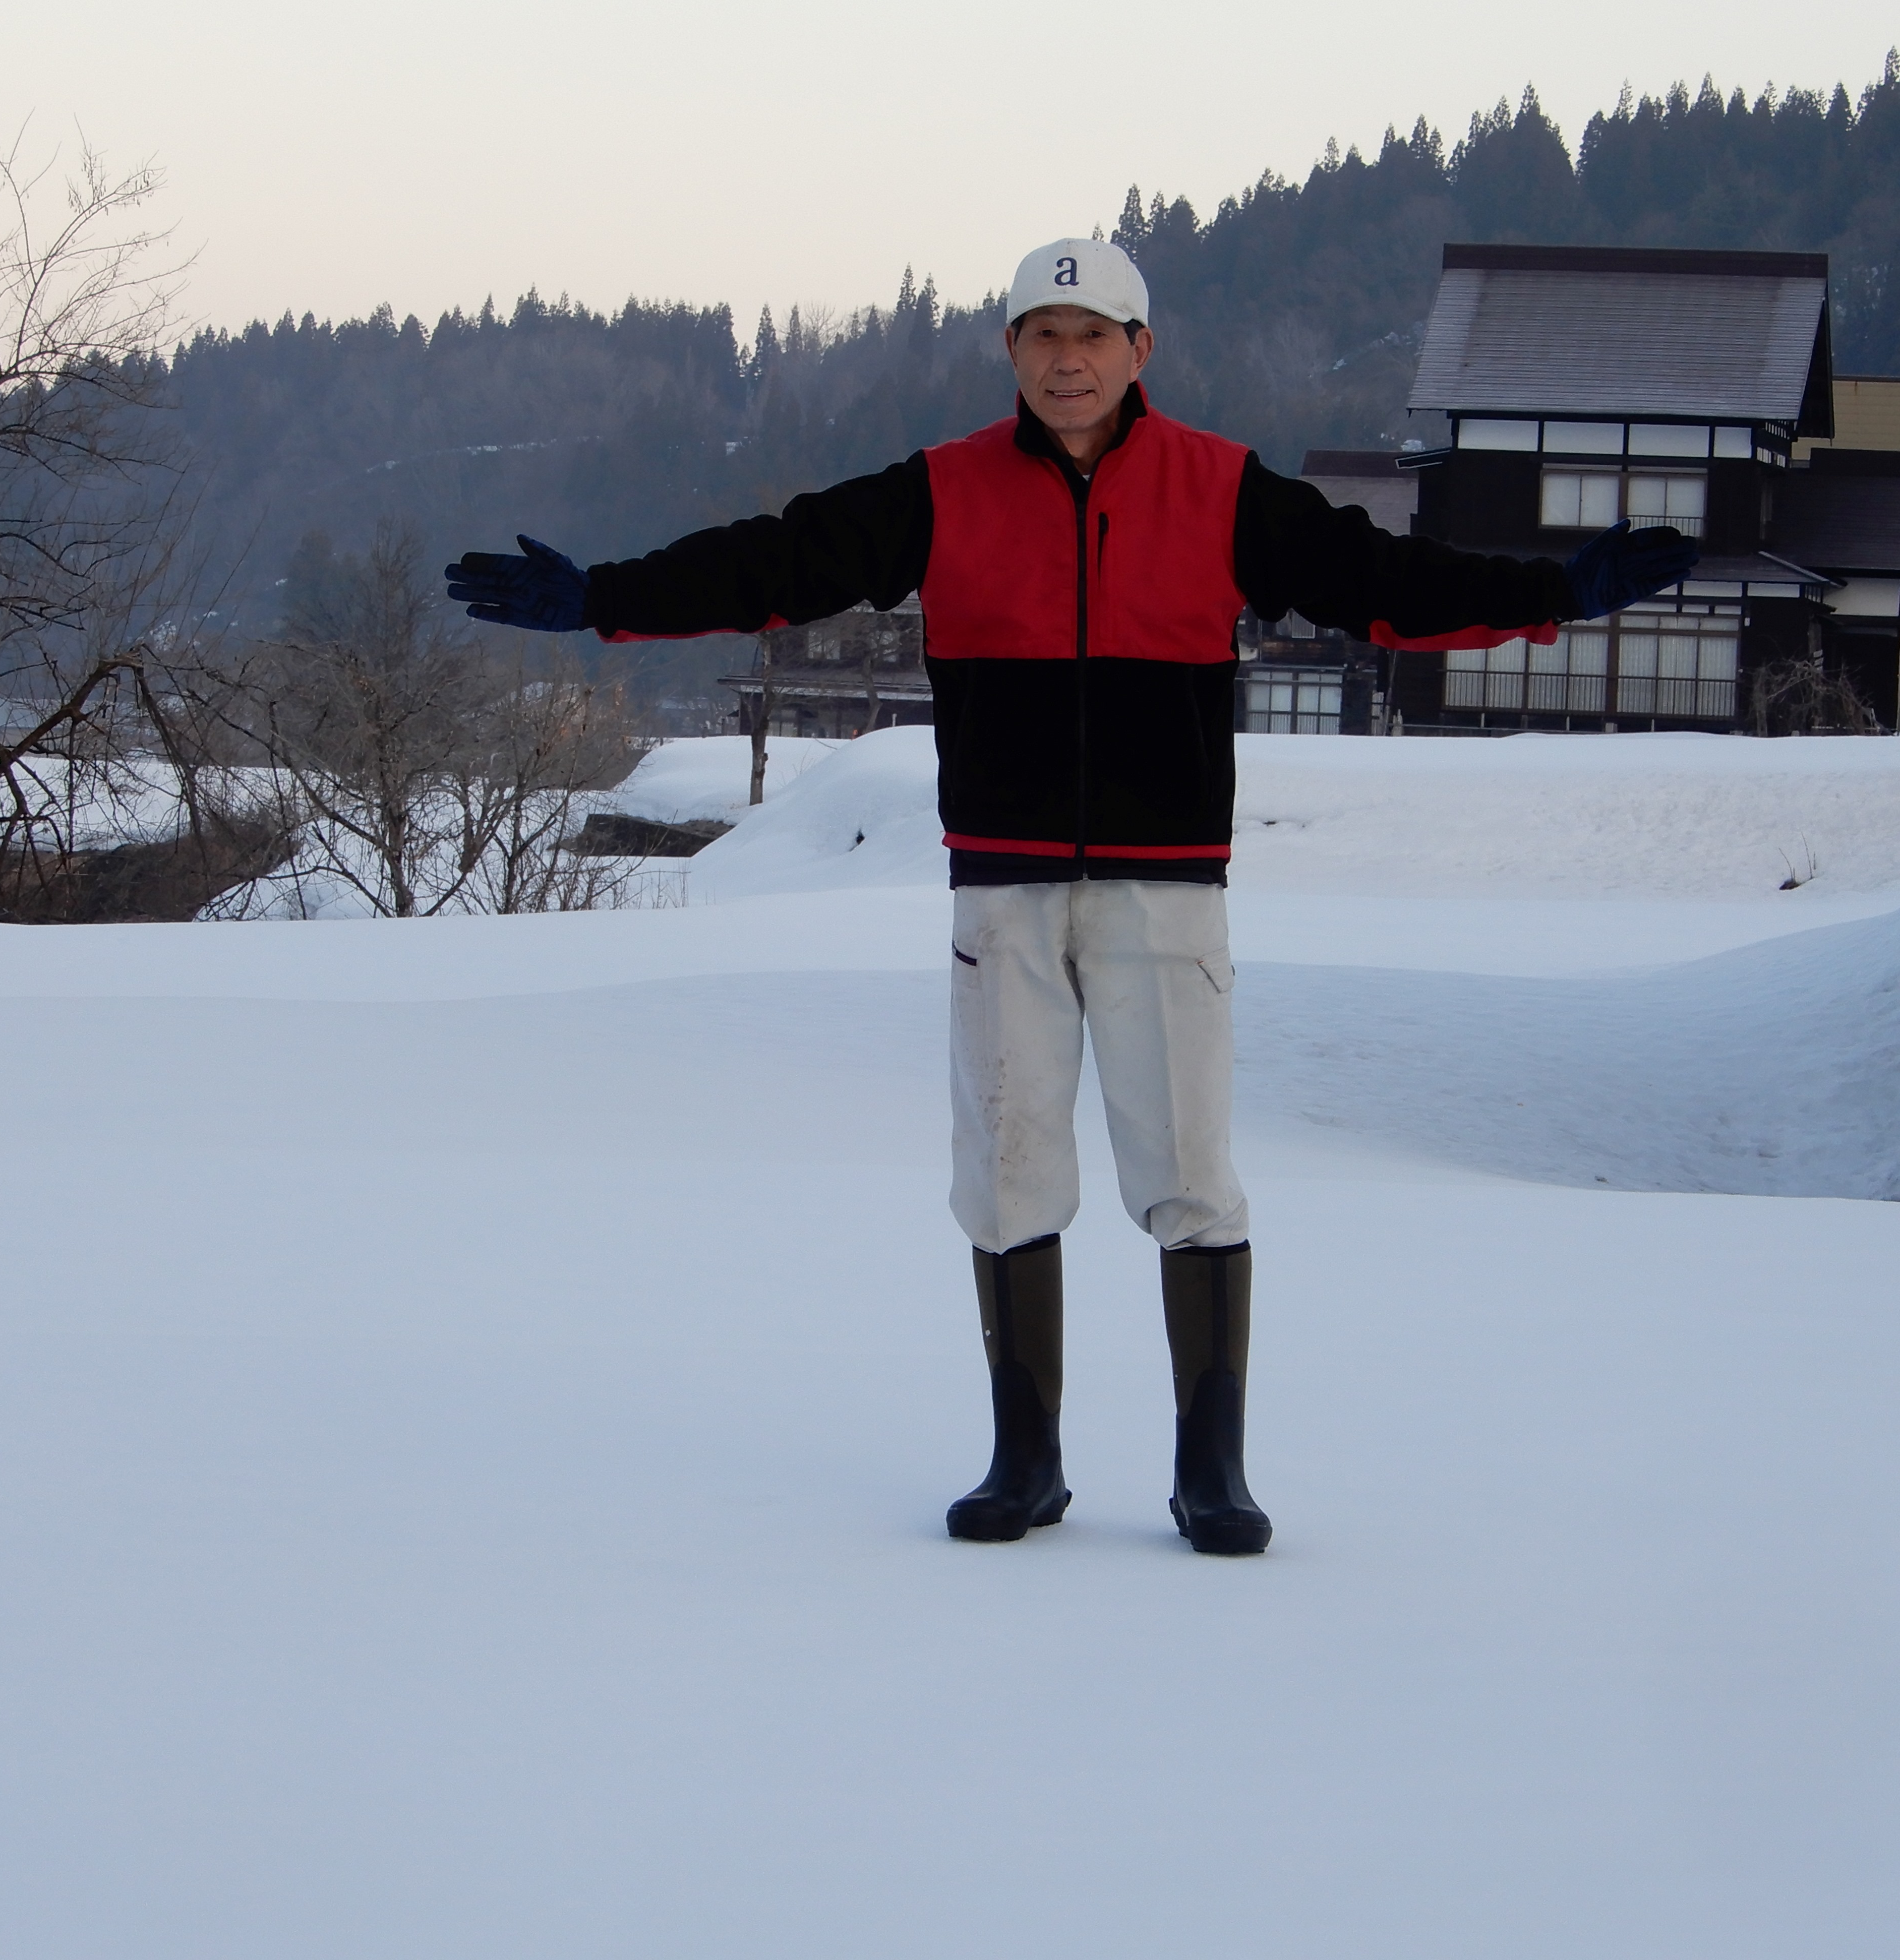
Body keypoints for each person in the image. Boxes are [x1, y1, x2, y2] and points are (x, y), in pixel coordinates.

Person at [447, 237, 1696, 1555]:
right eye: (1043, 336)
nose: (1068, 359)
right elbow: (780, 560)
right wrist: (605, 599)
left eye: (1092, 335)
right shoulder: (942, 492)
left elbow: (1388, 587)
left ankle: (1211, 1472)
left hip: (1166, 894)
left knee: (1193, 1176)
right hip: (1007, 889)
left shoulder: (1220, 490)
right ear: (1013, 355)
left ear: (1138, 351)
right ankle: (1024, 1458)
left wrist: (1560, 590)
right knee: (1008, 1166)